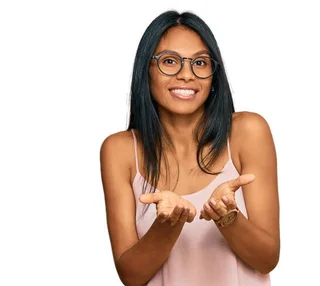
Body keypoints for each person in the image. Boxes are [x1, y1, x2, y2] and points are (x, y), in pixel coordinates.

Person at [99, 10, 280, 286]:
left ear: (213, 74)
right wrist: (167, 226)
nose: (186, 75)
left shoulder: (248, 131)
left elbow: (267, 258)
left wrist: (227, 217)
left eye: (200, 62)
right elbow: (131, 276)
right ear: (145, 70)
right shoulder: (120, 150)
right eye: (170, 61)